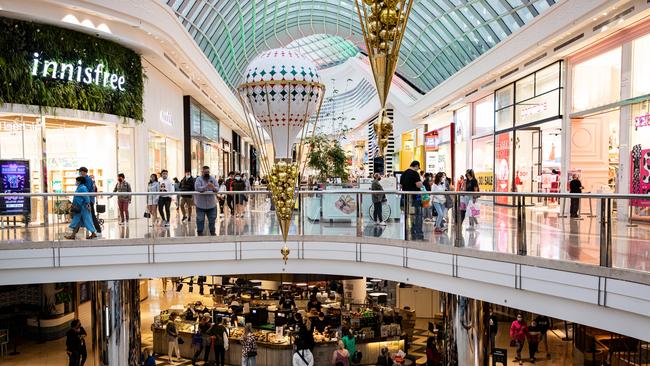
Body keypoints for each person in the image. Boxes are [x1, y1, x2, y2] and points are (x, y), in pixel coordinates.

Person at [399, 161, 424, 240]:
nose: (417, 170)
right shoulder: (415, 173)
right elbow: (418, 185)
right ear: (416, 166)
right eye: (417, 168)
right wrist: (422, 184)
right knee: (418, 215)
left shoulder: (404, 173)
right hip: (415, 197)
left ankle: (411, 230)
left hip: (405, 198)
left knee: (409, 215)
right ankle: (418, 233)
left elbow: (401, 185)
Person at [194, 166, 219, 236]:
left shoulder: (213, 179)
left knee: (212, 219)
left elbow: (217, 189)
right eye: (205, 172)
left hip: (211, 205)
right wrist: (206, 187)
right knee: (200, 219)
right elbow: (197, 188)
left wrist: (213, 187)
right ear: (202, 172)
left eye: (208, 172)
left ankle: (212, 232)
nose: (207, 173)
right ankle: (200, 232)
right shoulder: (198, 179)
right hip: (200, 205)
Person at [78, 167, 102, 234]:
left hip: (89, 200)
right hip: (86, 200)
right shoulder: (85, 179)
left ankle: (98, 230)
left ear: (83, 172)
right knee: (86, 216)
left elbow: (87, 190)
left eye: (80, 171)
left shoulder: (87, 179)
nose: (79, 173)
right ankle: (93, 230)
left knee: (92, 215)